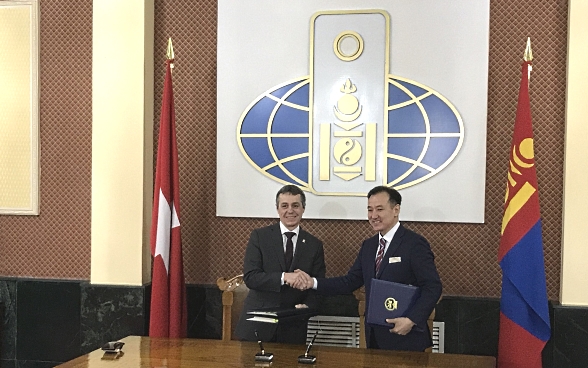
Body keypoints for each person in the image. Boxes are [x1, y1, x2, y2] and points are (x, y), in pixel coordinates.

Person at [297, 185, 442, 351]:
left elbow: (433, 286)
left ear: (396, 209)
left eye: (379, 209)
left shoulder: (414, 244)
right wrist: (312, 283)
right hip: (374, 337)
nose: (374, 216)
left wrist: (411, 319)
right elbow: (350, 281)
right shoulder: (369, 246)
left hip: (407, 338)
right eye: (370, 210)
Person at [234, 185, 326, 344]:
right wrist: (284, 277)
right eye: (285, 206)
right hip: (258, 325)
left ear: (303, 209)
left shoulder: (314, 244)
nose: (290, 210)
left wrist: (308, 305)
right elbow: (251, 277)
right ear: (277, 209)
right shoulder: (259, 237)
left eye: (295, 205)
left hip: (293, 328)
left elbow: (318, 285)